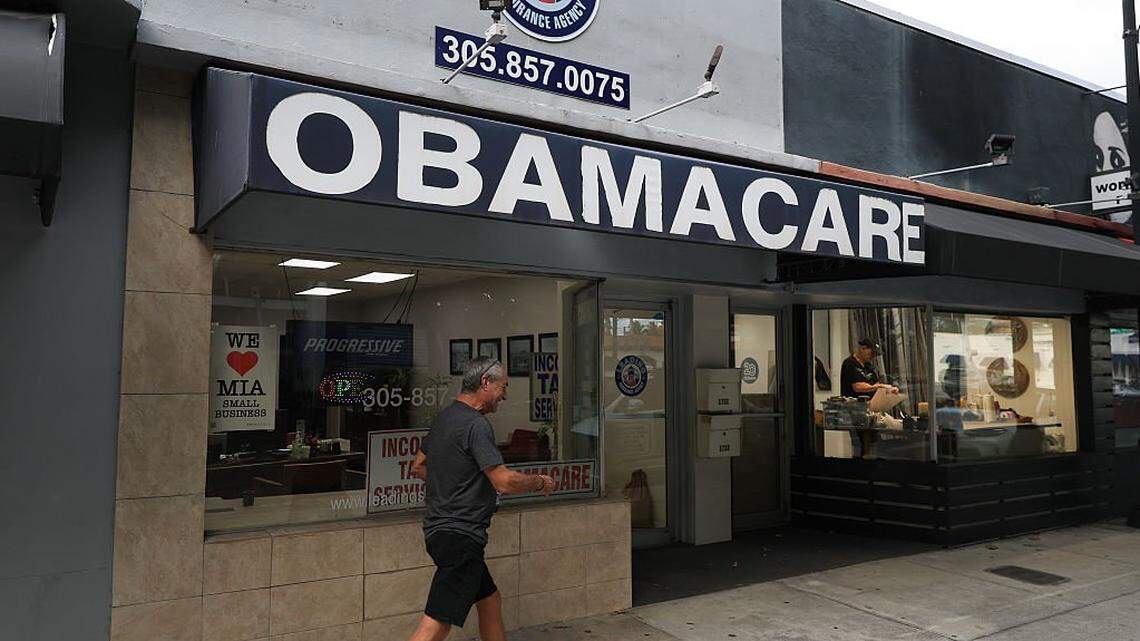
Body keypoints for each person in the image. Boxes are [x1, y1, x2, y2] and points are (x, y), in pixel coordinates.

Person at [405, 356, 555, 641]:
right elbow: (504, 481)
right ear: (486, 382)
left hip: (441, 532)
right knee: (437, 623)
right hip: (461, 535)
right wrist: (539, 481)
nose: (505, 395)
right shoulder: (477, 425)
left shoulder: (445, 418)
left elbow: (418, 465)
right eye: (503, 387)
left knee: (489, 600)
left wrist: (455, 484)